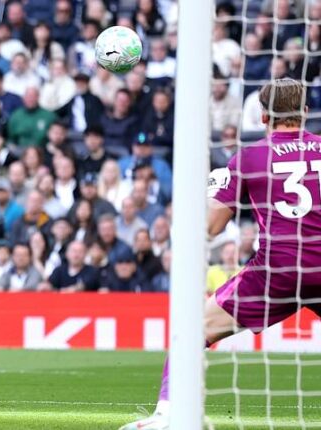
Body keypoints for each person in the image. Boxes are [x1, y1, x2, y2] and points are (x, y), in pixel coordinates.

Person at [122, 79, 321, 428]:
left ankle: (167, 417)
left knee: (193, 328)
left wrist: (212, 189)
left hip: (278, 270)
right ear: (305, 113)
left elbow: (210, 228)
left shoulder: (249, 157)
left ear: (262, 117)